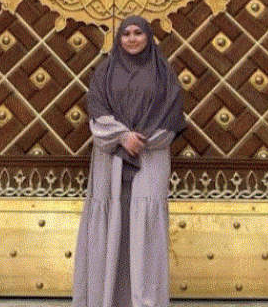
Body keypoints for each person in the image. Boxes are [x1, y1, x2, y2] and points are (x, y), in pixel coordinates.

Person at [72, 15, 186, 307]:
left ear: (149, 37)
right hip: (110, 156)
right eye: (126, 33)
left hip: (150, 155)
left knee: (144, 225)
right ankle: (106, 298)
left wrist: (141, 139)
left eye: (138, 33)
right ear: (118, 38)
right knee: (113, 223)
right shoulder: (104, 72)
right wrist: (122, 137)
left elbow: (172, 113)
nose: (132, 38)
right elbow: (96, 110)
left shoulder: (164, 73)